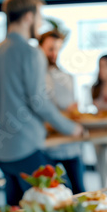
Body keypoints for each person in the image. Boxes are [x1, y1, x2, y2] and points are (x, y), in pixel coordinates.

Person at [0, 0, 83, 205]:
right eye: (39, 17)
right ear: (28, 17)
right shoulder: (30, 53)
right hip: (27, 149)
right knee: (60, 203)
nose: (39, 24)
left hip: (2, 152)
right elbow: (40, 102)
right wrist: (71, 128)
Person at [39, 29, 85, 194]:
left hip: (71, 143)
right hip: (48, 147)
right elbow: (46, 111)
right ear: (40, 48)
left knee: (79, 190)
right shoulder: (36, 77)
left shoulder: (66, 77)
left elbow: (74, 110)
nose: (54, 53)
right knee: (52, 193)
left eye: (57, 49)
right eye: (50, 48)